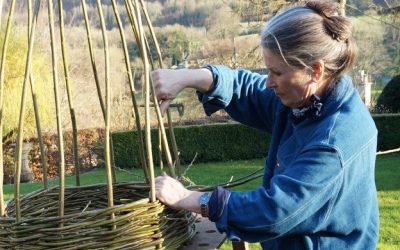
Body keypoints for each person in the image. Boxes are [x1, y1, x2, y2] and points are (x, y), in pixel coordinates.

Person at [152, 1, 379, 249]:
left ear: (315, 70)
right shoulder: (309, 96)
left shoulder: (334, 141)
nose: (268, 82)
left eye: (276, 72)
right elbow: (248, 88)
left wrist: (189, 198)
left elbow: (274, 211)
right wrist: (187, 77)